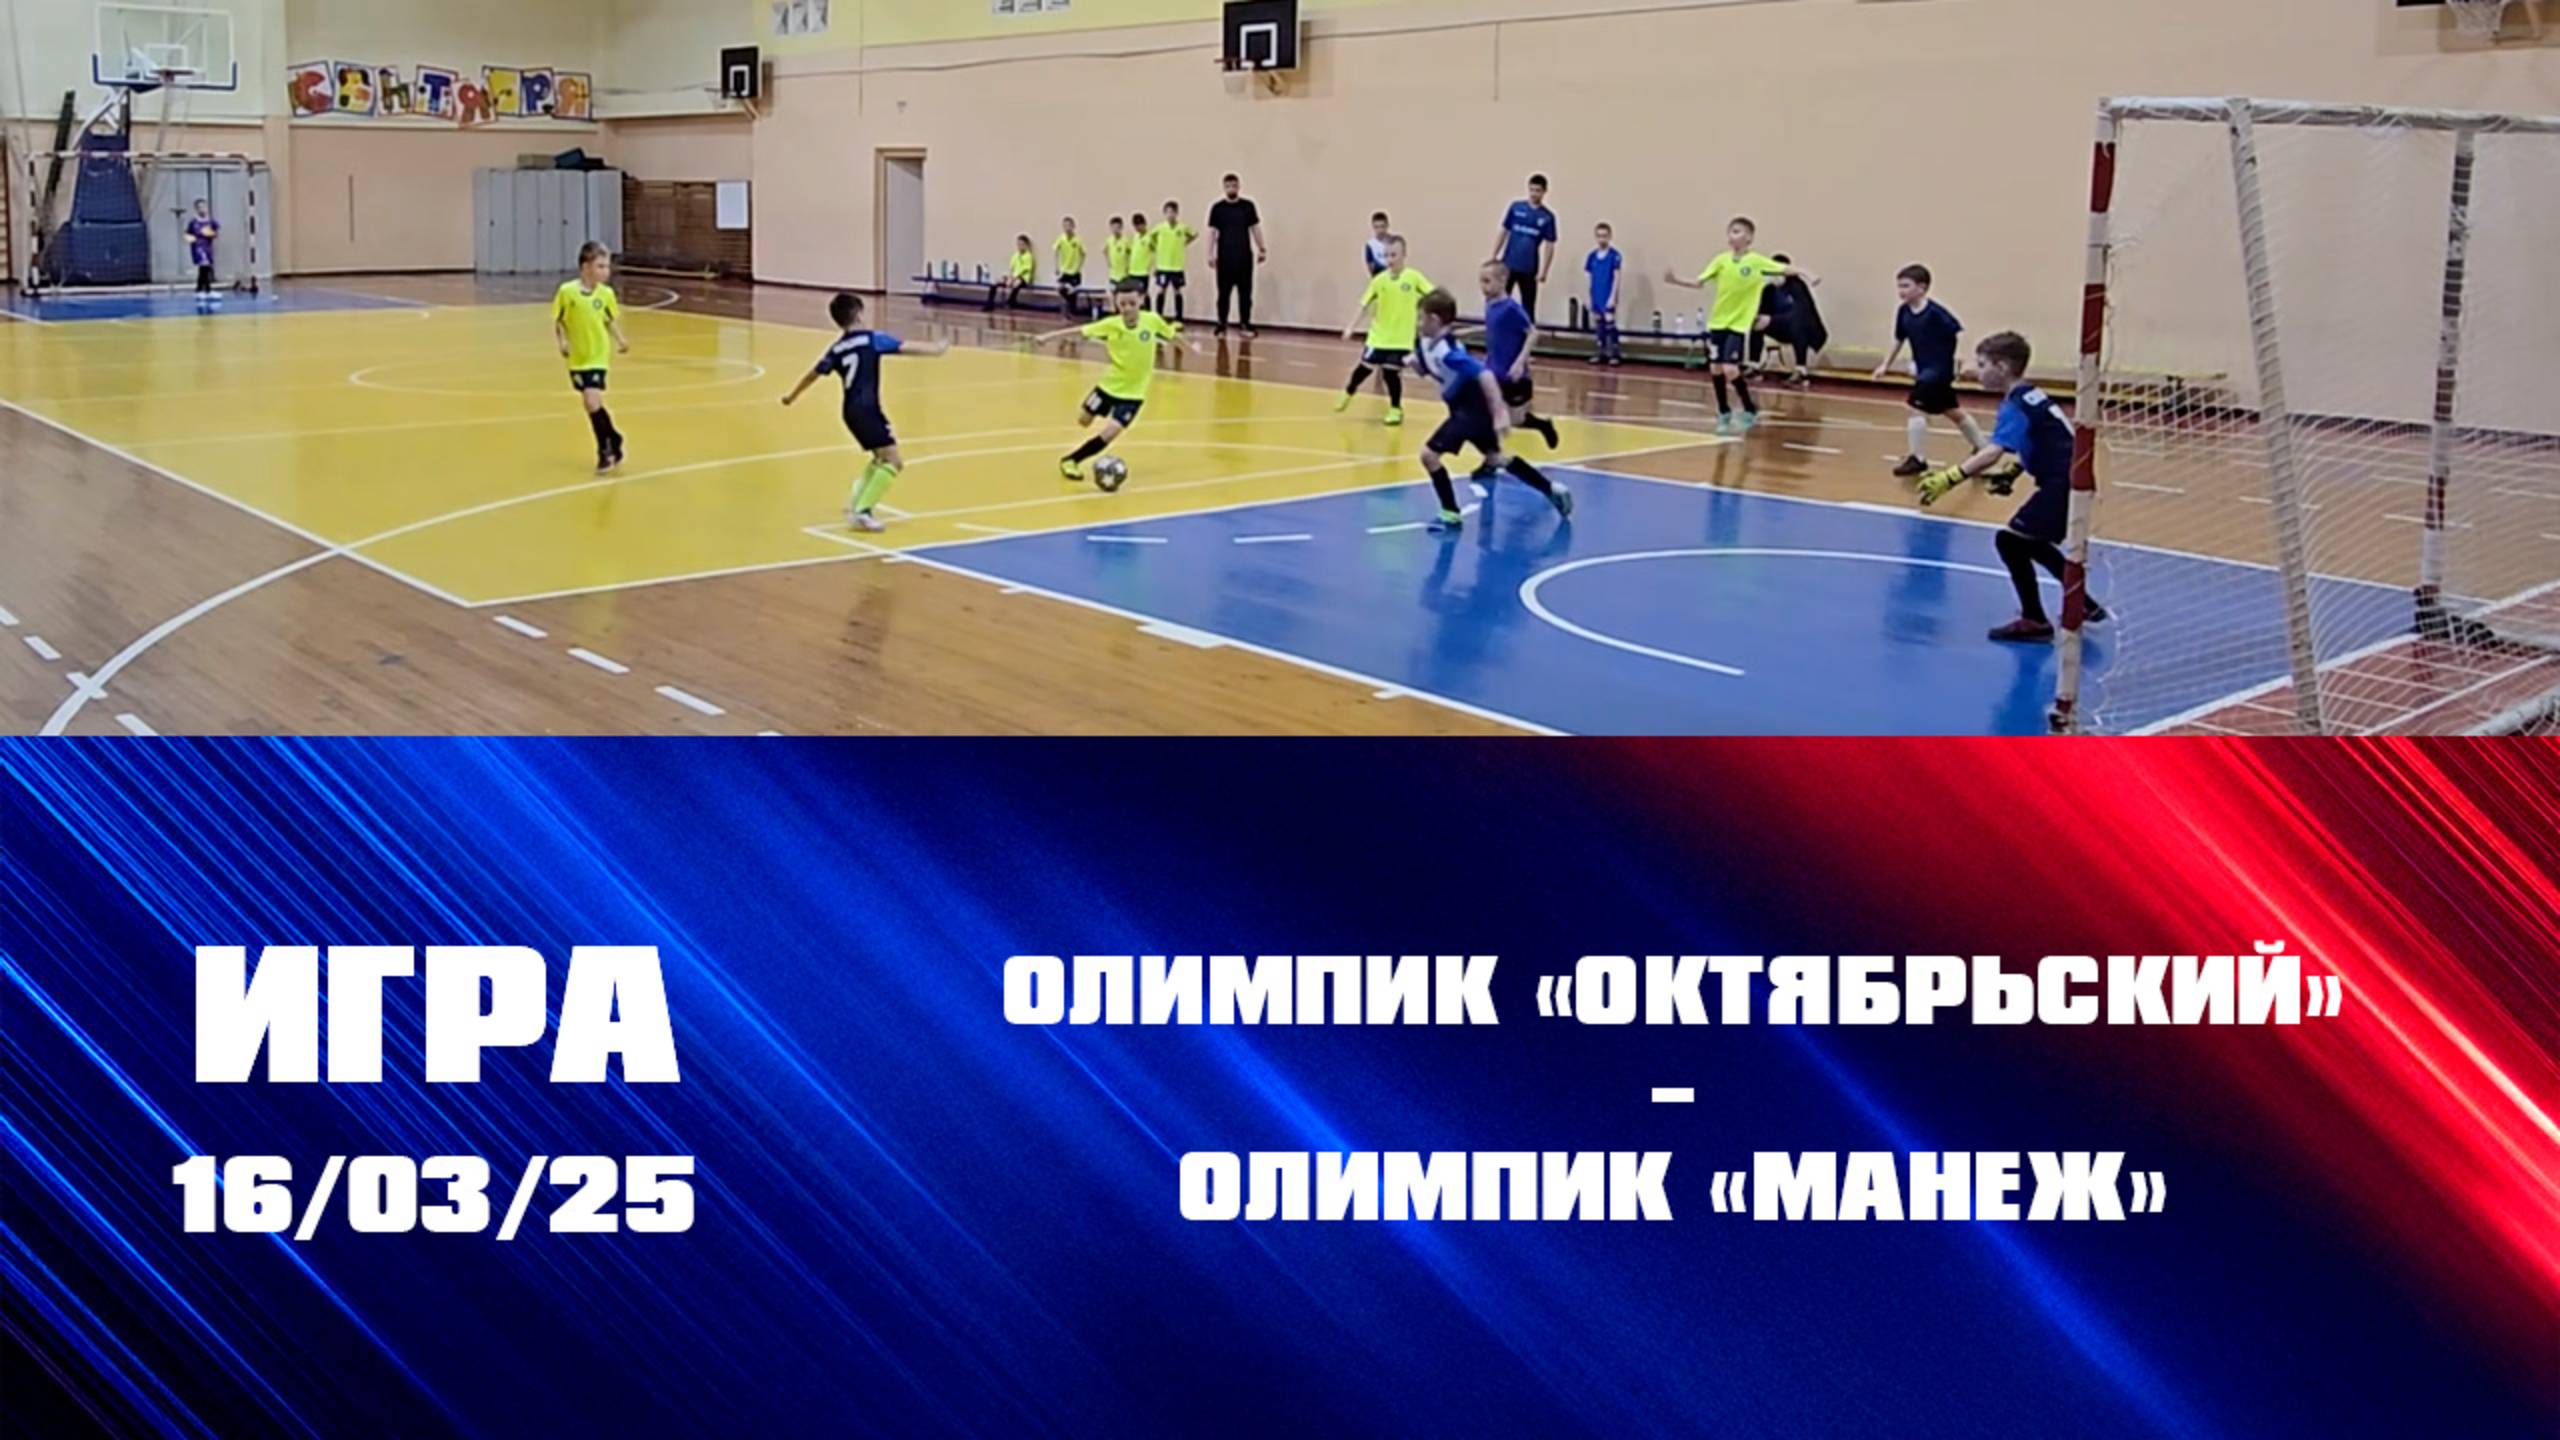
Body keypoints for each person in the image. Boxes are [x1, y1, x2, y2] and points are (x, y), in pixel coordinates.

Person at [1915, 331, 2109, 642]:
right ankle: (2083, 602)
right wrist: (2015, 471)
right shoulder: (2033, 394)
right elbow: (2051, 439)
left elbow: (1992, 452)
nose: (1977, 372)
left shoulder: (2016, 405)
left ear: (2002, 367)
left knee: (2010, 541)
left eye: (1982, 365)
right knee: (2029, 543)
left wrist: (1950, 477)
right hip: (2071, 480)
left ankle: (2035, 619)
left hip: (2061, 484)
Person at [779, 292, 952, 533]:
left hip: (850, 410)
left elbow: (813, 374)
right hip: (867, 409)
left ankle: (857, 497)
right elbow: (905, 347)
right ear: (859, 314)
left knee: (880, 457)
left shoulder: (837, 349)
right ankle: (863, 511)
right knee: (893, 461)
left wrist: (792, 396)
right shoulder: (873, 340)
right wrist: (937, 349)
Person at [1410, 289, 1572, 534]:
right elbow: (1430, 371)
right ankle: (1551, 490)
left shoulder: (1450, 352)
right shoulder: (1425, 342)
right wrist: (1415, 365)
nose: (1417, 322)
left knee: (1429, 456)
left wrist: (1499, 412)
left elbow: (1484, 374)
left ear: (1434, 319)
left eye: (1420, 318)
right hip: (1464, 407)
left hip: (1469, 409)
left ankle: (1450, 513)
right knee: (1497, 459)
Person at [1662, 217, 1812, 434]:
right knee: (1715, 368)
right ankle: (1723, 411)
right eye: (1730, 231)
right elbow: (1699, 282)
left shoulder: (1756, 261)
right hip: (1718, 322)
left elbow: (1785, 269)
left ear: (1749, 237)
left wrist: (1808, 273)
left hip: (1738, 325)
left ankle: (1749, 408)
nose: (1732, 235)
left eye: (1737, 231)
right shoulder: (1721, 261)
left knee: (1730, 369)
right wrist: (1675, 280)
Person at [1034, 286, 1196, 481]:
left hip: (1134, 394)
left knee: (1111, 432)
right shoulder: (1111, 325)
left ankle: (1072, 460)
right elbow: (1079, 331)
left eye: (1132, 303)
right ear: (1116, 303)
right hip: (1108, 387)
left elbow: (1172, 336)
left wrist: (1189, 348)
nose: (1127, 308)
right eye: (1122, 304)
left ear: (1141, 300)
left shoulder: (1152, 320)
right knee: (1083, 421)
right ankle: (1089, 417)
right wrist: (1047, 337)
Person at [1875, 263, 1986, 476]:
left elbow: (1959, 332)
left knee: (1916, 408)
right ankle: (1982, 447)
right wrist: (1885, 365)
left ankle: (1918, 458)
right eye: (1899, 286)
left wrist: (1962, 360)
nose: (1901, 291)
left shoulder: (1935, 313)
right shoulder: (1903, 312)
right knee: (1953, 411)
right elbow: (1899, 339)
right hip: (1924, 369)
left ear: (1922, 288)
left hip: (1938, 372)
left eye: (1906, 286)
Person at [1335, 235, 1431, 427]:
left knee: (1391, 374)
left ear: (1404, 255)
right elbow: (1363, 304)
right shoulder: (1379, 280)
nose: (1390, 259)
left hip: (1401, 339)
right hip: (1379, 336)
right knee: (1364, 369)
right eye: (1386, 255)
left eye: (1394, 255)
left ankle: (1395, 409)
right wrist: (1351, 327)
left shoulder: (1414, 277)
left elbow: (1432, 295)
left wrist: (1429, 319)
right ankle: (1349, 390)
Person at [1474, 260, 1559, 477]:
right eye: (1481, 281)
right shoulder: (1489, 305)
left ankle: (1542, 425)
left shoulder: (1511, 308)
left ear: (1502, 280)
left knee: (1515, 421)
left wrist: (1520, 362)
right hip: (1493, 373)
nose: (1483, 287)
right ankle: (1491, 460)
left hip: (1514, 375)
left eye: (1487, 281)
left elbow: (1532, 333)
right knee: (1489, 418)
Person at [551, 242, 630, 472]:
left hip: (597, 354)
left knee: (592, 400)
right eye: (600, 266)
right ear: (585, 267)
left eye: (607, 267)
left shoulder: (606, 294)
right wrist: (562, 342)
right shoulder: (567, 292)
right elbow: (559, 320)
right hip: (577, 356)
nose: (606, 272)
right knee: (590, 404)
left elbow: (609, 320)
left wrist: (620, 339)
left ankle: (604, 450)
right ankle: (614, 437)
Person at [1206, 173, 1266, 337]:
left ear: (1239, 186)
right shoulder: (1217, 208)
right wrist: (1209, 254)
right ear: (1224, 188)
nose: (1231, 189)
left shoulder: (1247, 206)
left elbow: (1255, 228)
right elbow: (1212, 232)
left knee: (1245, 294)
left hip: (1244, 258)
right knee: (1223, 294)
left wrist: (1262, 248)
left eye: (1234, 186)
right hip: (1225, 259)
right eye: (1228, 186)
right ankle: (1221, 324)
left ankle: (1245, 324)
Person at [1490, 174, 1558, 317]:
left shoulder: (1547, 217)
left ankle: (1527, 330)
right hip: (1508, 264)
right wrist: (1494, 255)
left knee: (1528, 305)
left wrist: (1544, 271)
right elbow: (1504, 231)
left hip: (1529, 268)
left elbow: (1550, 245)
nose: (1534, 194)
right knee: (1501, 300)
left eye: (1537, 191)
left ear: (1544, 192)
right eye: (1531, 190)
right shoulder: (1516, 207)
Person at [1756, 254, 1828, 386]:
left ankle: (1801, 369)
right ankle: (1753, 365)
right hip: (1782, 329)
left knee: (1797, 322)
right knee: (1755, 323)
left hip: (1807, 333)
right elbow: (1763, 313)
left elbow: (1802, 313)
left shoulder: (1797, 286)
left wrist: (1772, 319)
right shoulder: (1769, 290)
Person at [1584, 222, 1624, 366]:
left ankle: (1614, 353)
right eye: (1599, 236)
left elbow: (1617, 277)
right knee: (1599, 323)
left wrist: (1613, 296)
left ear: (1610, 237)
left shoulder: (1614, 256)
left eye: (1605, 236)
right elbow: (1589, 278)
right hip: (1596, 294)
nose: (1602, 239)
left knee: (1609, 322)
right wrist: (1588, 297)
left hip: (1608, 294)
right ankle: (1600, 351)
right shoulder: (1591, 257)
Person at [1149, 201, 1197, 321]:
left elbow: (1194, 234)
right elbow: (1150, 237)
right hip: (1163, 266)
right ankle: (1158, 317)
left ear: (1177, 213)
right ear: (1164, 213)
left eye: (1172, 212)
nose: (1170, 215)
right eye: (1168, 212)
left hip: (1177, 266)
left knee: (1177, 291)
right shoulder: (1160, 228)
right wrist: (1156, 247)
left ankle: (1179, 317)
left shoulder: (1182, 227)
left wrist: (1184, 243)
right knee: (1161, 290)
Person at [185, 199, 220, 308]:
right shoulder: (193, 222)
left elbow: (216, 232)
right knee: (204, 267)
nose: (202, 209)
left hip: (207, 247)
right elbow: (187, 234)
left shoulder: (210, 221)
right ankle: (205, 290)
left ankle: (201, 289)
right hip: (198, 247)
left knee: (206, 268)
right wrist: (192, 240)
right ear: (196, 209)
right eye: (200, 207)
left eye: (204, 207)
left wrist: (211, 233)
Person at [1053, 218, 1086, 317]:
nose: (1067, 228)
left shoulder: (1077, 240)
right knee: (1059, 288)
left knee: (1072, 292)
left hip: (1074, 272)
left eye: (1069, 226)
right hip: (1064, 271)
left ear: (1073, 227)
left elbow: (1083, 254)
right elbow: (1055, 250)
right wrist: (1057, 266)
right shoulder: (1061, 239)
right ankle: (1067, 310)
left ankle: (1072, 311)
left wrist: (1079, 267)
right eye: (1065, 226)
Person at [1001, 234, 1037, 309]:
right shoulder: (1015, 255)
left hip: (1023, 278)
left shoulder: (1028, 256)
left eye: (1022, 244)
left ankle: (1010, 302)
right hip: (1014, 276)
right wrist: (1010, 277)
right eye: (1018, 244)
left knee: (1017, 283)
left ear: (1026, 245)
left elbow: (1025, 270)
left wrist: (1014, 277)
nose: (1020, 246)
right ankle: (990, 303)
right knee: (998, 281)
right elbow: (1011, 268)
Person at [1105, 216, 1137, 292]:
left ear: (1121, 228)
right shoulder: (1109, 240)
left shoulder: (1126, 240)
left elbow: (1132, 253)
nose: (1115, 230)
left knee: (1124, 294)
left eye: (1117, 228)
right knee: (1111, 292)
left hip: (1124, 275)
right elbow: (1104, 251)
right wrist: (1108, 261)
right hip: (1113, 275)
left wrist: (1129, 265)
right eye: (1113, 228)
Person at [1364, 211, 1393, 276]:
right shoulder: (1370, 245)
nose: (1380, 230)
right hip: (1378, 277)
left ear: (1387, 225)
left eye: (1382, 226)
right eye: (1376, 227)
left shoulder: (1394, 241)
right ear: (1373, 227)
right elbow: (1369, 265)